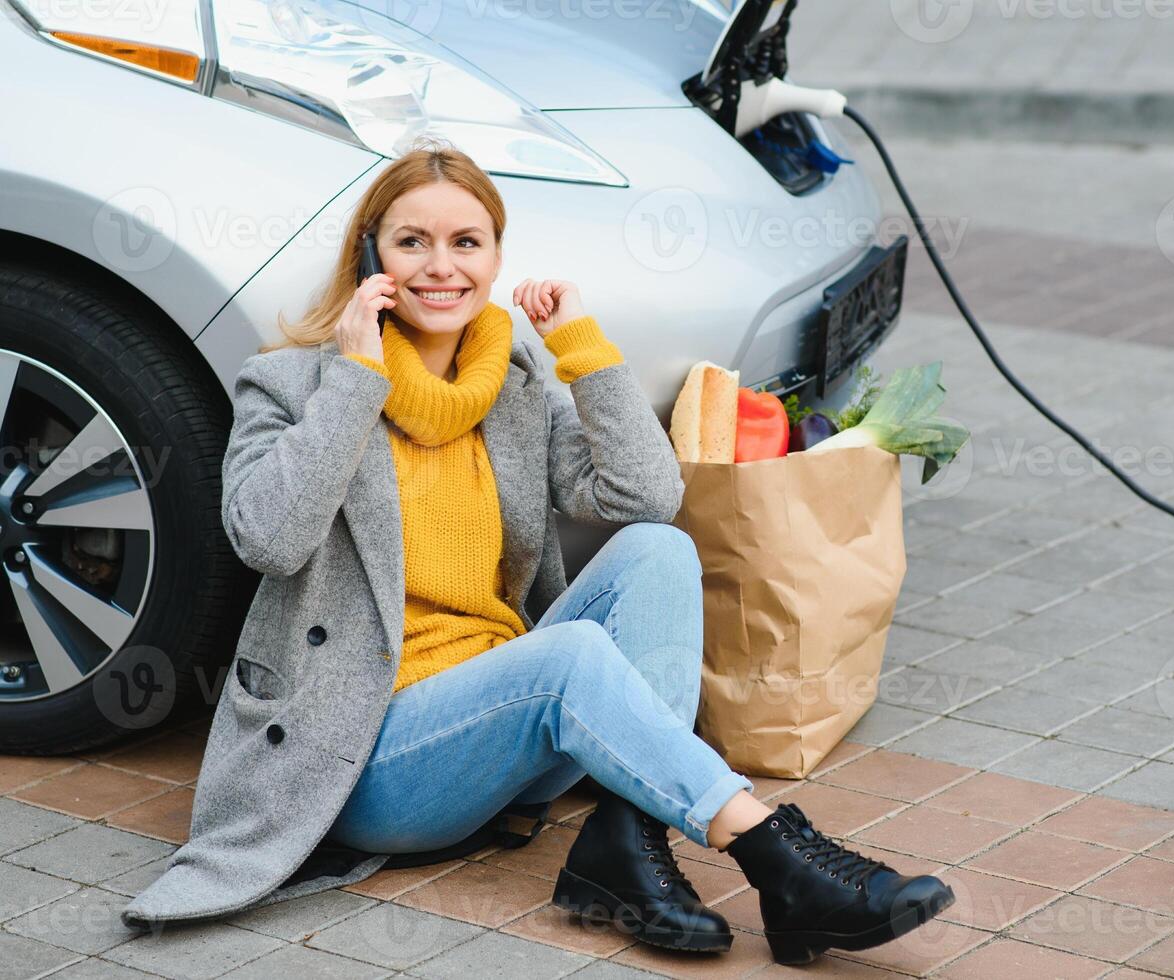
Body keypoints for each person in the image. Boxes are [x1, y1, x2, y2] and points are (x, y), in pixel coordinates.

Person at [120, 137, 953, 965]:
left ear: (494, 257)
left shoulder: (509, 385)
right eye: (412, 242)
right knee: (568, 656)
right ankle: (779, 860)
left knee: (659, 550)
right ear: (371, 255)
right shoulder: (293, 384)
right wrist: (354, 380)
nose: (439, 267)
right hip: (365, 759)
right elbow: (268, 538)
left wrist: (582, 349)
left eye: (465, 243)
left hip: (508, 729)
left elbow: (644, 497)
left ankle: (628, 845)